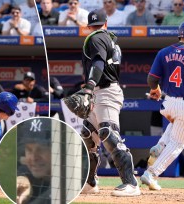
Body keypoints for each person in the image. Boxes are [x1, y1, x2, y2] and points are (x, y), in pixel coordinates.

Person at [62, 9, 141, 196]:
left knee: (108, 133)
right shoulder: (109, 38)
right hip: (101, 91)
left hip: (105, 91)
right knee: (89, 135)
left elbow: (99, 63)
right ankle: (90, 183)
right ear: (106, 23)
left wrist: (88, 87)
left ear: (89, 26)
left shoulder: (96, 37)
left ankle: (131, 183)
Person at [140, 20, 184, 191]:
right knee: (178, 143)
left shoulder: (164, 52)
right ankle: (152, 173)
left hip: (168, 102)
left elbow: (151, 79)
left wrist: (155, 90)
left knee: (175, 129)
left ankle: (160, 145)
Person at [17, 118, 51, 204]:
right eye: (29, 149)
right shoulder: (24, 171)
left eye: (41, 149)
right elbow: (22, 173)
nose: (33, 157)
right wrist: (23, 181)